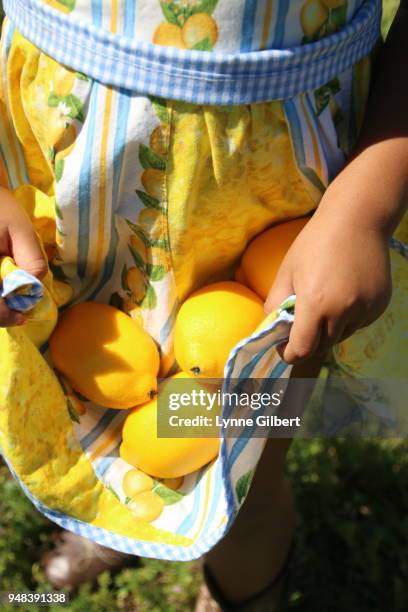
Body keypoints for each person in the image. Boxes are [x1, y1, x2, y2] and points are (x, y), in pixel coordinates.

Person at [0, 0, 407, 609]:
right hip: (61, 165)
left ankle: (238, 590)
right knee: (77, 409)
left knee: (252, 474)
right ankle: (121, 516)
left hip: (284, 201)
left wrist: (366, 207)